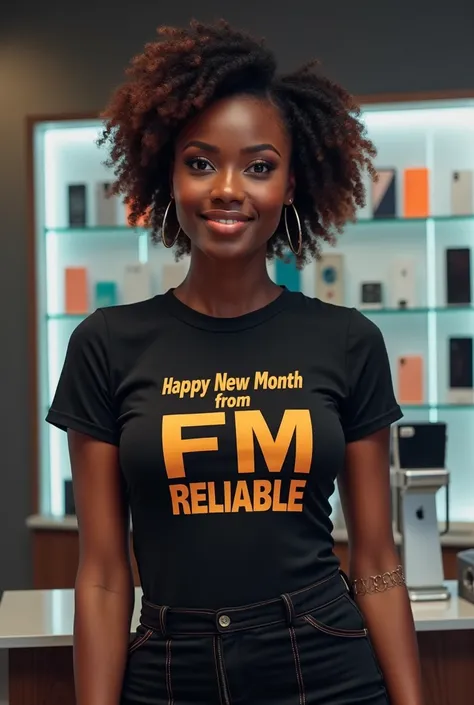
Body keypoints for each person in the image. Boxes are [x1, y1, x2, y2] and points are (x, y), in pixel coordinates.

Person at [46, 19, 424, 705]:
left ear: (290, 184)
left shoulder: (347, 341)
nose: (227, 187)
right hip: (168, 669)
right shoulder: (105, 344)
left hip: (323, 661)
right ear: (166, 174)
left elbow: (374, 560)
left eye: (258, 165)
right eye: (200, 162)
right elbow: (102, 573)